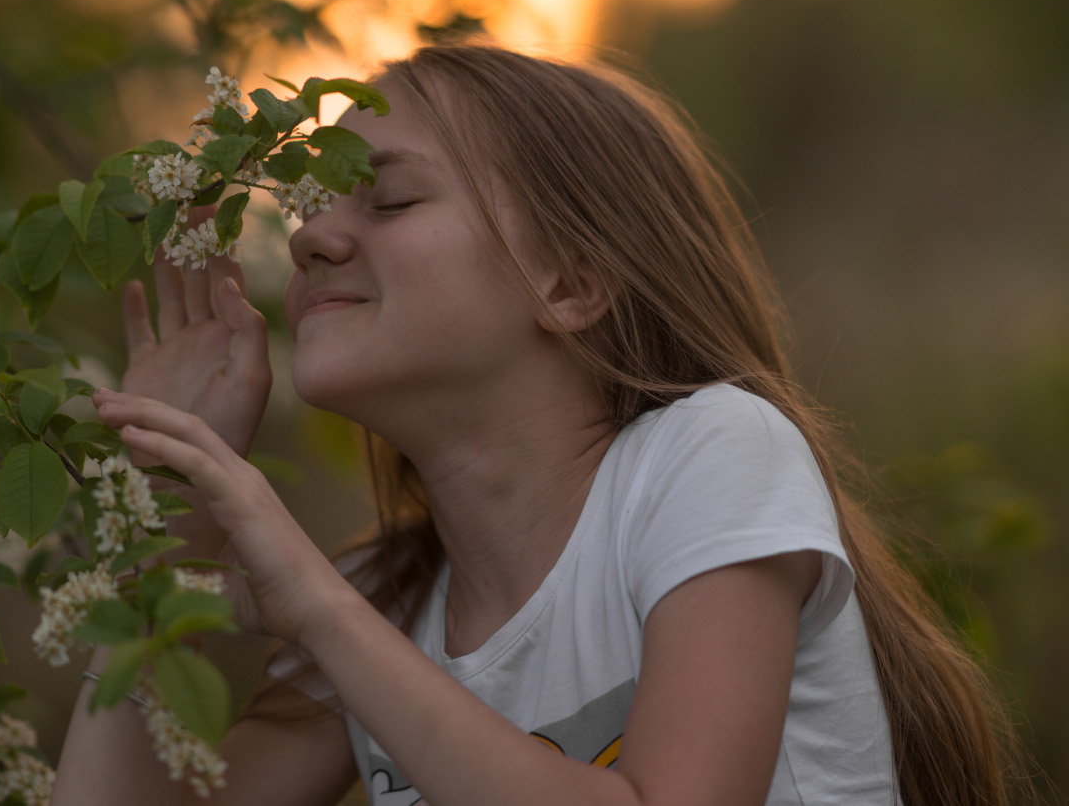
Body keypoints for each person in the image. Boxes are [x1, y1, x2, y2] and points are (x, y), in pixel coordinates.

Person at [51, 45, 1020, 805]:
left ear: (568, 283)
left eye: (388, 198)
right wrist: (163, 522)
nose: (307, 236)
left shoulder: (712, 454)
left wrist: (310, 603)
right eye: (310, 208)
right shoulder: (386, 601)